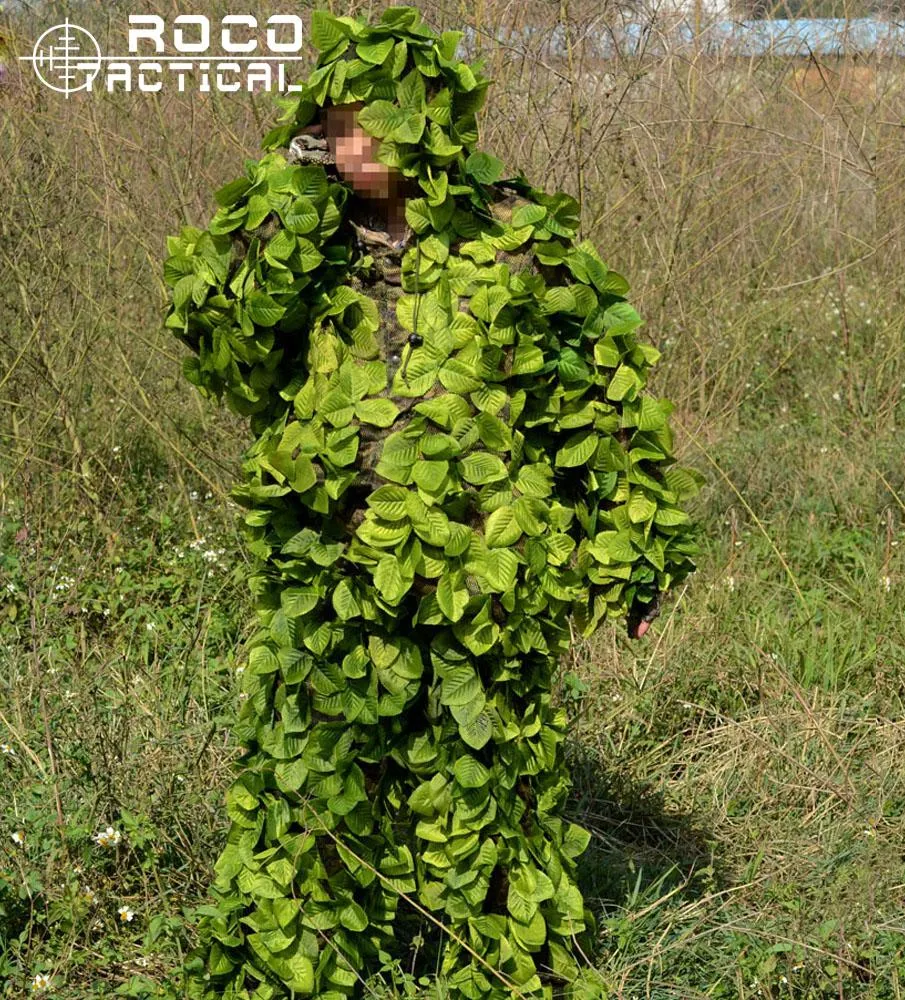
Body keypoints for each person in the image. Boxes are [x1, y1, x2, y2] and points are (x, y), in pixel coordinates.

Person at [166, 7, 701, 998]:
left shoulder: (507, 234)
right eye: (337, 125)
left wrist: (634, 551)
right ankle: (300, 970)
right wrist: (286, 194)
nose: (357, 147)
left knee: (488, 800)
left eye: (375, 121)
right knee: (310, 794)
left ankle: (498, 971)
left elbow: (594, 393)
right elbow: (220, 340)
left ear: (430, 119)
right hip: (328, 573)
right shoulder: (308, 243)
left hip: (478, 578)